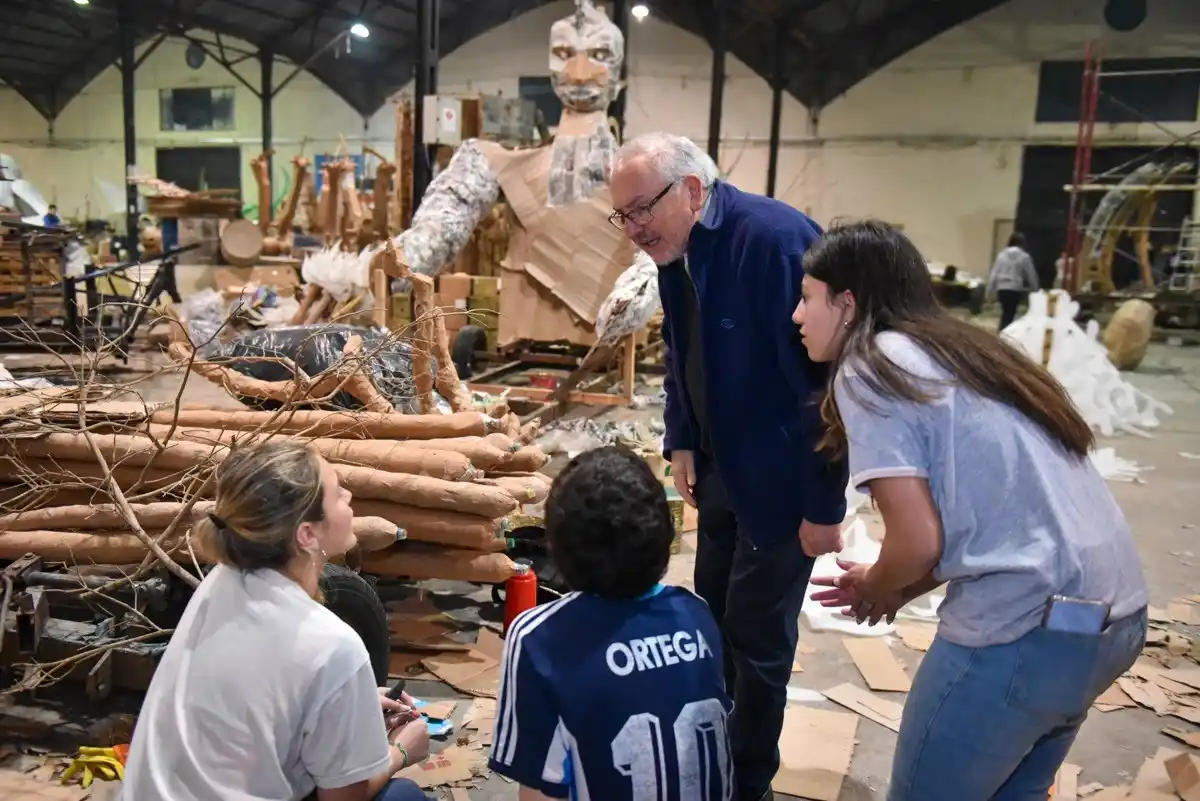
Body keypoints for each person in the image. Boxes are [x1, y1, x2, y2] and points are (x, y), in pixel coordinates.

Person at [794, 220, 1148, 801]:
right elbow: (988, 521)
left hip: (1024, 632)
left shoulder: (871, 366)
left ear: (848, 303)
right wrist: (898, 592)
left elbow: (918, 541)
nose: (797, 316)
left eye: (808, 298)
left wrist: (877, 584)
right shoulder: (963, 348)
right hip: (1112, 620)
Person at [607, 132, 848, 801]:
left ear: (689, 190)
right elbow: (682, 351)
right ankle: (708, 764)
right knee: (712, 623)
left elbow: (824, 389)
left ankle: (747, 785)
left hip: (780, 484)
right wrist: (682, 437)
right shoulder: (676, 251)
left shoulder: (770, 241)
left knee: (758, 641)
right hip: (719, 471)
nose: (632, 230)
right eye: (620, 216)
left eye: (639, 211)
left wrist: (825, 507)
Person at [121, 441, 431, 801]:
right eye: (336, 492)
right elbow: (345, 797)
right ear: (307, 534)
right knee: (403, 796)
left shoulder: (221, 582)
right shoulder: (334, 645)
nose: (348, 493)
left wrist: (348, 705)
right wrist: (402, 751)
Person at [488, 446, 732, 800]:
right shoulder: (696, 613)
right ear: (665, 535)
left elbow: (540, 792)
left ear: (556, 545)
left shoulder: (539, 639)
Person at [985, 231, 1039, 331]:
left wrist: (989, 292)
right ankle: (1005, 334)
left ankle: (1002, 332)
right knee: (1010, 313)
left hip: (1002, 288)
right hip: (1015, 288)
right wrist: (1035, 290)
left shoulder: (1001, 255)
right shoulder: (1024, 257)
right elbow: (1031, 275)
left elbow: (994, 274)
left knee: (1005, 312)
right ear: (1023, 243)